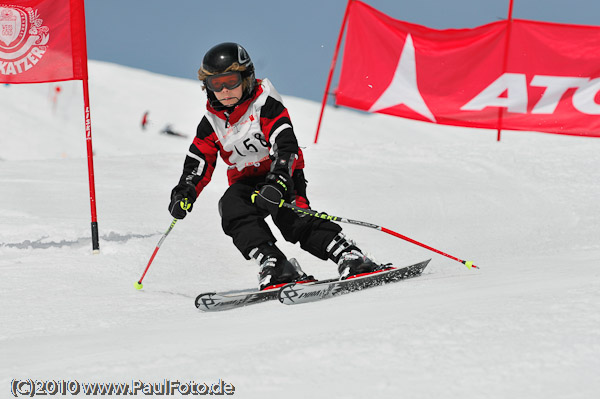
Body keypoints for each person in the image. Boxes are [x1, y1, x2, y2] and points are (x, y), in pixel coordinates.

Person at [168, 42, 382, 290]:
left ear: (247, 78)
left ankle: (350, 255)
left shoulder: (265, 104)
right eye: (217, 84)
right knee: (232, 207)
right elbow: (200, 160)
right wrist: (185, 191)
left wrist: (279, 180)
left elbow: (286, 144)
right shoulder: (211, 123)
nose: (225, 90)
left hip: (281, 173)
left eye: (231, 81)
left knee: (293, 220)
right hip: (245, 181)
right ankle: (275, 263)